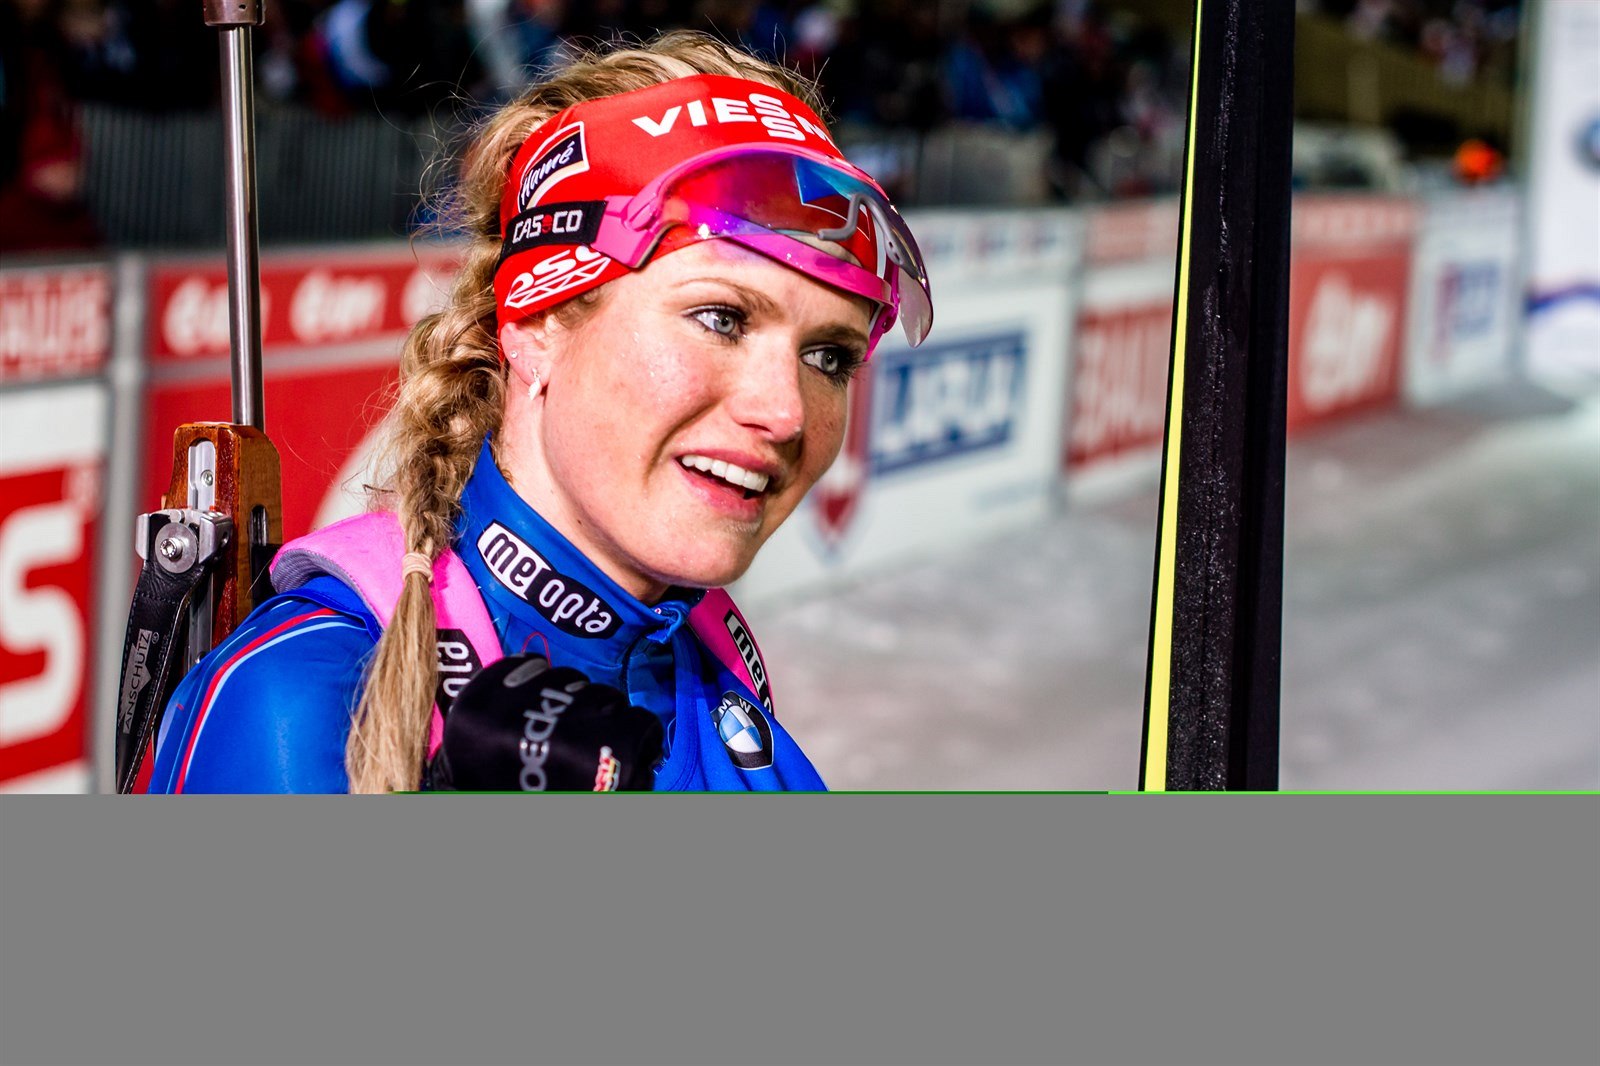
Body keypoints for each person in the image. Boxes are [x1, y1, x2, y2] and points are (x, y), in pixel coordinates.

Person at [140, 31, 933, 794]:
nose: (786, 411)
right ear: (537, 321)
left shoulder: (711, 674)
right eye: (721, 318)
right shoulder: (302, 700)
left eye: (829, 357)